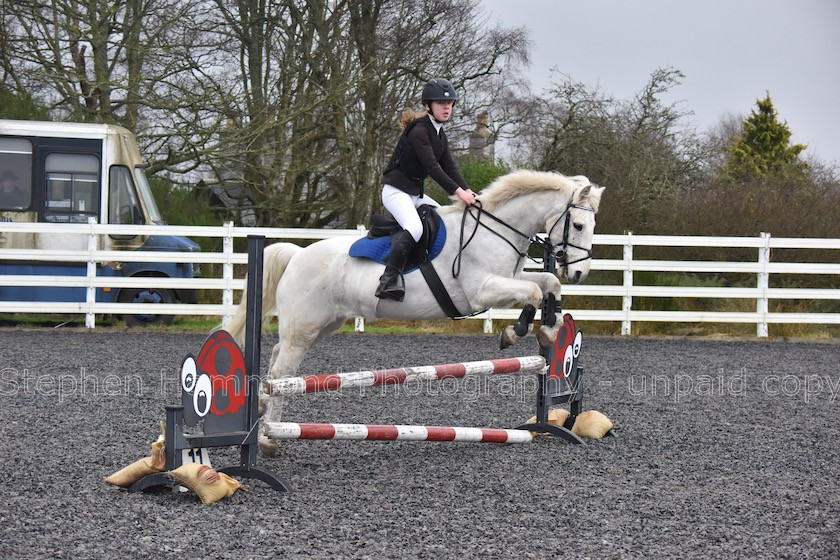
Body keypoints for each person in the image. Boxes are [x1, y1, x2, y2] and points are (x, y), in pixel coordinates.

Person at [376, 77, 477, 301]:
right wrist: (459, 193)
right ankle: (388, 279)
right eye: (441, 103)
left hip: (413, 194)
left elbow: (450, 166)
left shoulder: (440, 134)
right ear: (427, 106)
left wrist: (469, 191)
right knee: (414, 228)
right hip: (395, 192)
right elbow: (432, 167)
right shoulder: (419, 131)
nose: (446, 107)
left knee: (443, 220)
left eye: (450, 104)